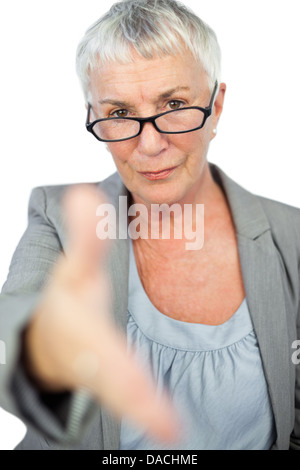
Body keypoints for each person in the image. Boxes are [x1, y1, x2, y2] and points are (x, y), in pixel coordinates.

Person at [0, 0, 299, 451]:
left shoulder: (291, 236)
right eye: (119, 114)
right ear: (91, 117)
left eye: (175, 104)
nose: (150, 144)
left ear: (216, 106)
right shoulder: (60, 217)